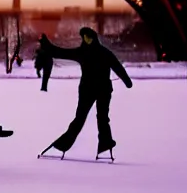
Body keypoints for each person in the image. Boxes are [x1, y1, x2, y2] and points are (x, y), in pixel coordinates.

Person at [37, 28, 133, 160]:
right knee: (80, 119)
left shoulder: (103, 52)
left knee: (102, 118)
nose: (87, 40)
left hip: (101, 89)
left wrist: (127, 81)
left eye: (89, 37)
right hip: (89, 90)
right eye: (84, 37)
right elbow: (59, 52)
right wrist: (46, 44)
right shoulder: (83, 52)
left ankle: (105, 144)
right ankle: (62, 145)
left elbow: (117, 67)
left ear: (93, 38)